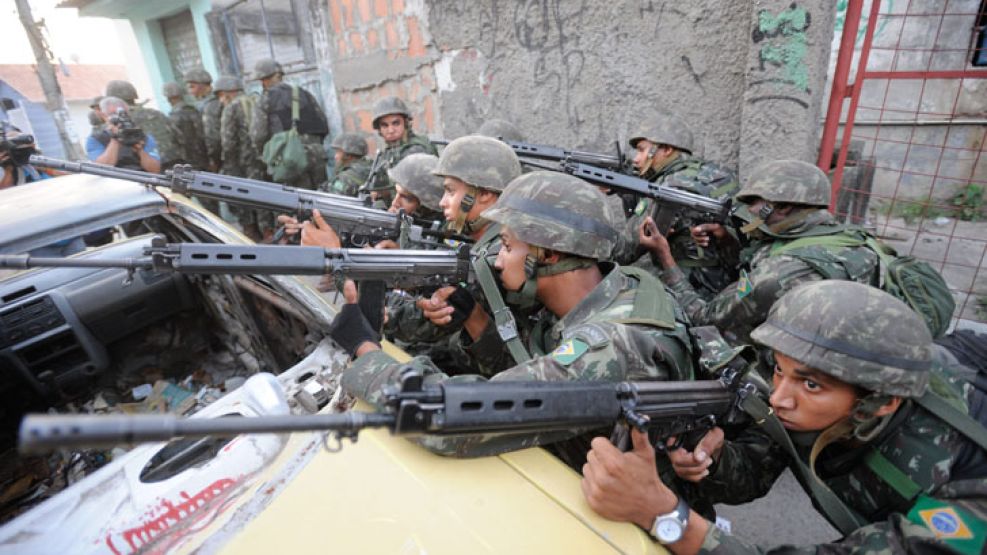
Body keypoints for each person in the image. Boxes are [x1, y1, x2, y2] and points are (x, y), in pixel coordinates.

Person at [582, 279, 987, 554]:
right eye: (779, 369)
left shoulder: (969, 484)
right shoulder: (834, 385)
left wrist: (664, 515)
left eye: (810, 385)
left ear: (880, 403)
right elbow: (758, 468)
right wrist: (713, 458)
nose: (778, 397)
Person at [331, 170, 695, 467]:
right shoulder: (626, 286)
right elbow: (534, 372)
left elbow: (447, 421)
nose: (499, 260)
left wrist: (366, 351)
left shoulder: (608, 349)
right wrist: (474, 317)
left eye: (506, 245)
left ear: (548, 253)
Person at [641, 159, 880, 345]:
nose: (745, 209)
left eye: (753, 201)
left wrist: (666, 260)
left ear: (783, 206)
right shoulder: (854, 242)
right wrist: (727, 243)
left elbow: (705, 319)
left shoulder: (777, 274)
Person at [614, 112, 739, 297]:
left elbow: (626, 249)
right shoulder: (720, 174)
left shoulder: (669, 187)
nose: (635, 159)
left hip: (684, 292)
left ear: (666, 150)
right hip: (724, 288)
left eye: (641, 150)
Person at [249, 58, 330, 190]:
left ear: (264, 80)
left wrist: (267, 155)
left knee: (299, 201)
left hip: (289, 158)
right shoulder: (305, 94)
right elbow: (323, 125)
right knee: (323, 195)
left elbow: (258, 135)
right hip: (317, 154)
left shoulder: (265, 99)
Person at [215, 75, 272, 242]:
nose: (220, 100)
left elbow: (228, 140)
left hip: (245, 162)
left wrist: (228, 163)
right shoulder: (257, 100)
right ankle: (269, 230)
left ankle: (258, 233)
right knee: (266, 194)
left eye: (220, 95)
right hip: (265, 157)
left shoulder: (231, 108)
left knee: (249, 197)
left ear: (227, 93)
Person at [363, 96, 438, 205]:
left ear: (406, 123)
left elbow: (416, 194)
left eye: (396, 123)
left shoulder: (415, 150)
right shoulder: (387, 152)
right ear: (379, 130)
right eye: (385, 125)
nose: (391, 130)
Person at [104, 80, 180, 169]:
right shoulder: (156, 113)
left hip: (149, 170)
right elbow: (178, 137)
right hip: (175, 163)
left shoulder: (118, 122)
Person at [85, 96, 161, 173]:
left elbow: (155, 170)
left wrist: (140, 151)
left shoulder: (142, 137)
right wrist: (116, 139)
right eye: (113, 114)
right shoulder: (95, 139)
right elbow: (101, 169)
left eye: (124, 113)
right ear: (104, 116)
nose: (120, 117)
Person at [184, 66, 222, 173]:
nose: (190, 91)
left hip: (220, 159)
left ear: (203, 86)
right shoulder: (205, 103)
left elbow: (212, 137)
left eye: (192, 87)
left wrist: (213, 160)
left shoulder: (210, 106)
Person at [163, 81, 209, 170]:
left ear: (168, 98)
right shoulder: (194, 110)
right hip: (204, 159)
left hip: (188, 163)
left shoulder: (173, 117)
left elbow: (175, 142)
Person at [322, 133, 372, 197]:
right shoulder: (368, 165)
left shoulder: (346, 177)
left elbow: (332, 200)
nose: (335, 156)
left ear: (348, 155)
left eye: (338, 152)